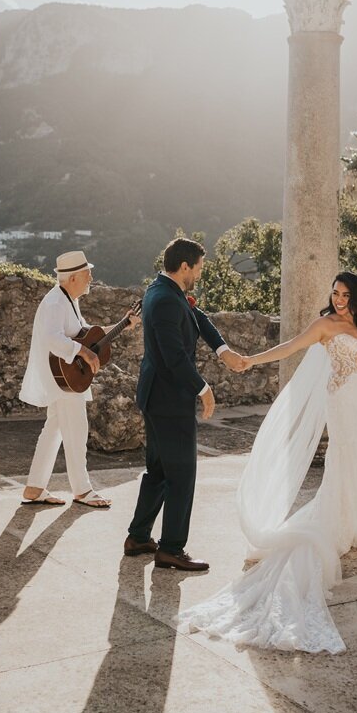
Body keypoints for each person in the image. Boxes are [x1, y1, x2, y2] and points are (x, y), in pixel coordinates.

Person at [179, 271, 357, 652]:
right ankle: (332, 527)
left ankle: (349, 523)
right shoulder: (325, 325)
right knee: (344, 464)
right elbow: (289, 347)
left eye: (345, 295)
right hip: (342, 405)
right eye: (335, 294)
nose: (339, 300)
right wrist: (251, 360)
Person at [125, 237, 246, 570]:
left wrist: (223, 351)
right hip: (169, 400)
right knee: (181, 475)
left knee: (159, 471)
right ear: (184, 267)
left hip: (155, 396)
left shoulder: (161, 290)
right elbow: (174, 356)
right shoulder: (166, 299)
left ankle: (138, 536)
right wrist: (203, 388)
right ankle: (171, 548)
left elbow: (198, 317)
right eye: (198, 268)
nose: (200, 274)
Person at [20, 250, 139, 508]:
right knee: (76, 429)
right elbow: (52, 338)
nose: (91, 278)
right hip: (62, 376)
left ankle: (34, 487)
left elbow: (88, 334)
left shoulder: (68, 300)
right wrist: (83, 352)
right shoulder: (55, 303)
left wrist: (122, 324)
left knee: (54, 429)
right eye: (87, 274)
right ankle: (82, 490)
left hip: (66, 376)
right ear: (73, 277)